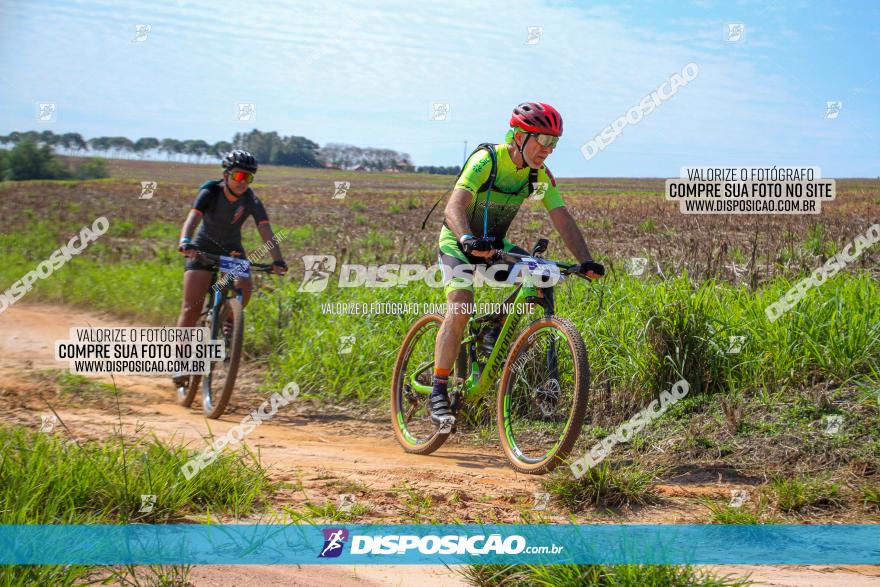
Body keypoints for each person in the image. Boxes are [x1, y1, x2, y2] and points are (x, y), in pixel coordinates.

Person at [431, 102, 605, 430]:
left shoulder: (538, 175)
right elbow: (454, 206)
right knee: (461, 306)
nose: (548, 149)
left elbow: (561, 218)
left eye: (554, 143)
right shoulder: (487, 161)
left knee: (541, 278)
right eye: (542, 140)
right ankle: (438, 389)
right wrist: (467, 238)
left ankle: (493, 327)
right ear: (519, 136)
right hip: (458, 240)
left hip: (494, 246)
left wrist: (585, 261)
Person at [172, 150, 287, 393]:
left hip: (232, 252)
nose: (242, 182)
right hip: (201, 250)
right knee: (191, 307)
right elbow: (193, 218)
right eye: (238, 176)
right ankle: (181, 360)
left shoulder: (252, 201)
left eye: (248, 178)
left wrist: (277, 259)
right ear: (226, 175)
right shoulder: (210, 192)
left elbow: (265, 230)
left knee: (245, 285)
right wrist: (185, 240)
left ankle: (228, 323)